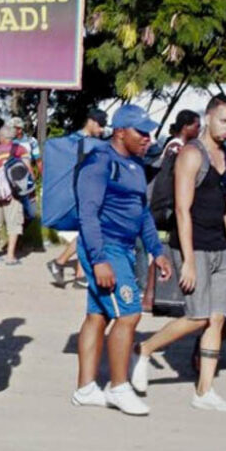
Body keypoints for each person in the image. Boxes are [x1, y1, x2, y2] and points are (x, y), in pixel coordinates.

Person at [131, 94, 226, 413]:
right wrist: (190, 263)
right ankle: (144, 348)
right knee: (197, 317)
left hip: (223, 250)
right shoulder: (191, 155)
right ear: (208, 118)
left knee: (216, 319)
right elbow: (182, 210)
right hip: (194, 246)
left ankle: (204, 391)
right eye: (223, 120)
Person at [71, 105, 172, 416]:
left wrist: (157, 251)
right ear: (119, 132)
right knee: (129, 315)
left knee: (98, 316)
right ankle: (119, 387)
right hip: (106, 248)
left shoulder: (135, 165)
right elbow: (87, 214)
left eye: (148, 132)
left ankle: (86, 388)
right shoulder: (100, 162)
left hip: (125, 249)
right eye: (140, 132)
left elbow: (141, 213)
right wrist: (99, 260)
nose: (147, 138)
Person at [47, 108, 107, 288]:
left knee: (86, 231)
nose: (103, 130)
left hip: (82, 193)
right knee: (88, 230)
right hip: (84, 194)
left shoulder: (73, 142)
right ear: (92, 121)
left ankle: (72, 270)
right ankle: (66, 266)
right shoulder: (83, 144)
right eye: (101, 125)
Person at [0, 123, 31, 265]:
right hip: (14, 193)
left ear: (2, 137)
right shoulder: (21, 150)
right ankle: (10, 256)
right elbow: (27, 170)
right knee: (14, 224)